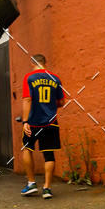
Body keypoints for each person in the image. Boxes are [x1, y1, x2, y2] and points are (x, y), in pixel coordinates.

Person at [21, 54, 65, 199]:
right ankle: (47, 188)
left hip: (33, 122)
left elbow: (27, 99)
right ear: (45, 63)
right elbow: (61, 102)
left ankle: (32, 183)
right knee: (49, 154)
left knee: (27, 148)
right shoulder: (55, 78)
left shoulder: (29, 78)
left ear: (32, 63)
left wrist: (25, 121)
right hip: (51, 122)